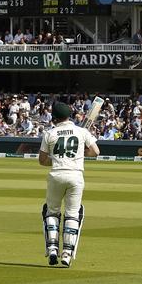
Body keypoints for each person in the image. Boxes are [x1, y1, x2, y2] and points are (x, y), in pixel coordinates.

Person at [38, 102, 100, 267]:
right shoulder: (82, 131)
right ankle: (66, 254)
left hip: (56, 174)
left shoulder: (49, 133)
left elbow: (42, 160)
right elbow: (95, 151)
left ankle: (52, 249)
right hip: (76, 176)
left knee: (51, 212)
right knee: (73, 214)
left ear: (54, 117)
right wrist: (79, 154)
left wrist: (58, 159)